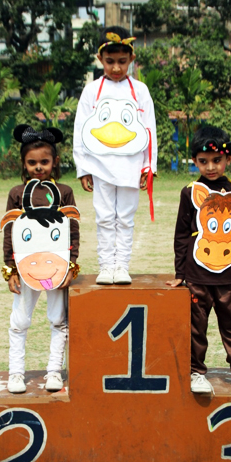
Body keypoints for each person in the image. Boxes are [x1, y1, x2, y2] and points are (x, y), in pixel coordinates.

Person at [167, 125, 231, 395]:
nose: (210, 167)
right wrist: (180, 273)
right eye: (203, 161)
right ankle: (197, 372)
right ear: (194, 161)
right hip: (196, 277)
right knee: (197, 327)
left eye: (217, 160)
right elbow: (181, 235)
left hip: (228, 276)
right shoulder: (189, 192)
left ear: (228, 158)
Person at [73, 26, 157, 285]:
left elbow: (149, 129)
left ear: (132, 59)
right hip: (100, 167)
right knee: (105, 217)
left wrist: (148, 166)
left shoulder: (140, 91)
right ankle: (106, 266)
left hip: (132, 166)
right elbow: (80, 130)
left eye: (122, 61)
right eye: (110, 61)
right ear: (100, 59)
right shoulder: (91, 91)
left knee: (126, 218)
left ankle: (121, 266)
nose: (117, 68)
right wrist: (83, 168)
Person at [1, 124, 80, 394]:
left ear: (55, 161)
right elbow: (10, 232)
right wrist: (11, 269)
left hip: (56, 268)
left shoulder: (65, 192)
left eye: (44, 162)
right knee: (20, 320)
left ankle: (54, 371)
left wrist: (70, 265)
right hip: (27, 268)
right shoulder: (16, 194)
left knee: (58, 318)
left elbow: (72, 231)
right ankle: (16, 373)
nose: (38, 167)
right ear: (23, 164)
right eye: (32, 163)